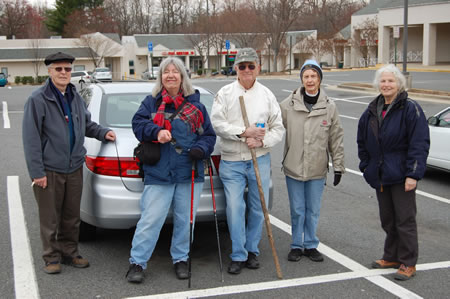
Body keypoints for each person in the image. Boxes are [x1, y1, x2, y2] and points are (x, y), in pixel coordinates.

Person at [22, 52, 116, 274]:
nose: (63, 73)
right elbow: (31, 139)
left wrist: (103, 133)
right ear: (50, 71)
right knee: (50, 218)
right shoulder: (38, 99)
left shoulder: (74, 96)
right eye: (58, 69)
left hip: (73, 167)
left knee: (71, 216)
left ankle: (70, 253)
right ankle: (51, 257)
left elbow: (86, 124)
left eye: (67, 69)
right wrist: (37, 172)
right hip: (49, 169)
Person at [126, 57, 216, 283]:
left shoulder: (197, 106)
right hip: (159, 172)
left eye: (176, 71)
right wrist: (156, 132)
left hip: (189, 172)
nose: (171, 75)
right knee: (150, 220)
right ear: (161, 77)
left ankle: (181, 259)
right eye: (166, 72)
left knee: (185, 221)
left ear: (183, 77)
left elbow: (209, 136)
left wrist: (201, 148)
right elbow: (138, 124)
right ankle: (137, 262)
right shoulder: (151, 103)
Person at [210, 48, 285, 275]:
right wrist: (244, 132)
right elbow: (218, 124)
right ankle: (238, 253)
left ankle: (252, 250)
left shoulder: (267, 95)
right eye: (242, 66)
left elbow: (278, 128)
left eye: (251, 66)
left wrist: (261, 142)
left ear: (258, 67)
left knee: (257, 207)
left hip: (259, 159)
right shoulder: (225, 93)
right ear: (236, 69)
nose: (246, 70)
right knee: (234, 207)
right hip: (232, 161)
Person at [357, 64, 429, 281]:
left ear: (399, 84)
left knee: (404, 219)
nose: (386, 84)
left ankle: (408, 262)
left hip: (401, 175)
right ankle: (391, 255)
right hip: (380, 174)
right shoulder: (372, 110)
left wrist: (413, 174)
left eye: (390, 81)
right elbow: (362, 141)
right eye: (383, 81)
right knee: (388, 219)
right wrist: (366, 166)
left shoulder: (410, 109)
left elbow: (419, 143)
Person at [279, 59, 345, 263]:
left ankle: (310, 244)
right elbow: (273, 126)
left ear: (319, 79)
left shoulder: (329, 107)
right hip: (293, 167)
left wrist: (339, 167)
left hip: (317, 168)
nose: (310, 80)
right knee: (297, 210)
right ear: (301, 79)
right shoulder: (288, 105)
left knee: (313, 210)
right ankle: (296, 245)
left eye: (313, 76)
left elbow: (336, 137)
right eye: (306, 76)